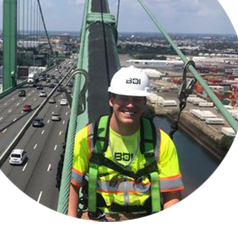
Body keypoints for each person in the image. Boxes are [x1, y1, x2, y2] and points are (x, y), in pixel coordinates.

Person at [68, 66, 184, 222]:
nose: (130, 105)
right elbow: (73, 186)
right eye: (124, 98)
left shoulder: (162, 142)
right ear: (111, 100)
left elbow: (172, 193)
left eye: (137, 99)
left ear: (144, 102)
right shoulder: (88, 137)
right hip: (98, 217)